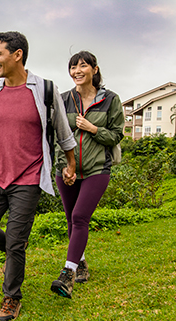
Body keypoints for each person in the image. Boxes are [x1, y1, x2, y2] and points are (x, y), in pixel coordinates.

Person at [0, 31, 76, 320]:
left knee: (13, 241)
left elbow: (63, 134)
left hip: (29, 178)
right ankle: (16, 246)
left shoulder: (45, 90)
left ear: (17, 54)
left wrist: (71, 164)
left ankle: (11, 298)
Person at [51, 51, 125, 299]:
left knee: (80, 216)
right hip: (68, 169)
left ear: (94, 69)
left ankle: (68, 273)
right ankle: (80, 262)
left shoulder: (110, 100)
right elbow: (58, 137)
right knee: (71, 219)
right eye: (73, 67)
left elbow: (116, 135)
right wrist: (64, 166)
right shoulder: (63, 100)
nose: (77, 71)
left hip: (97, 168)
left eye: (83, 66)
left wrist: (93, 128)